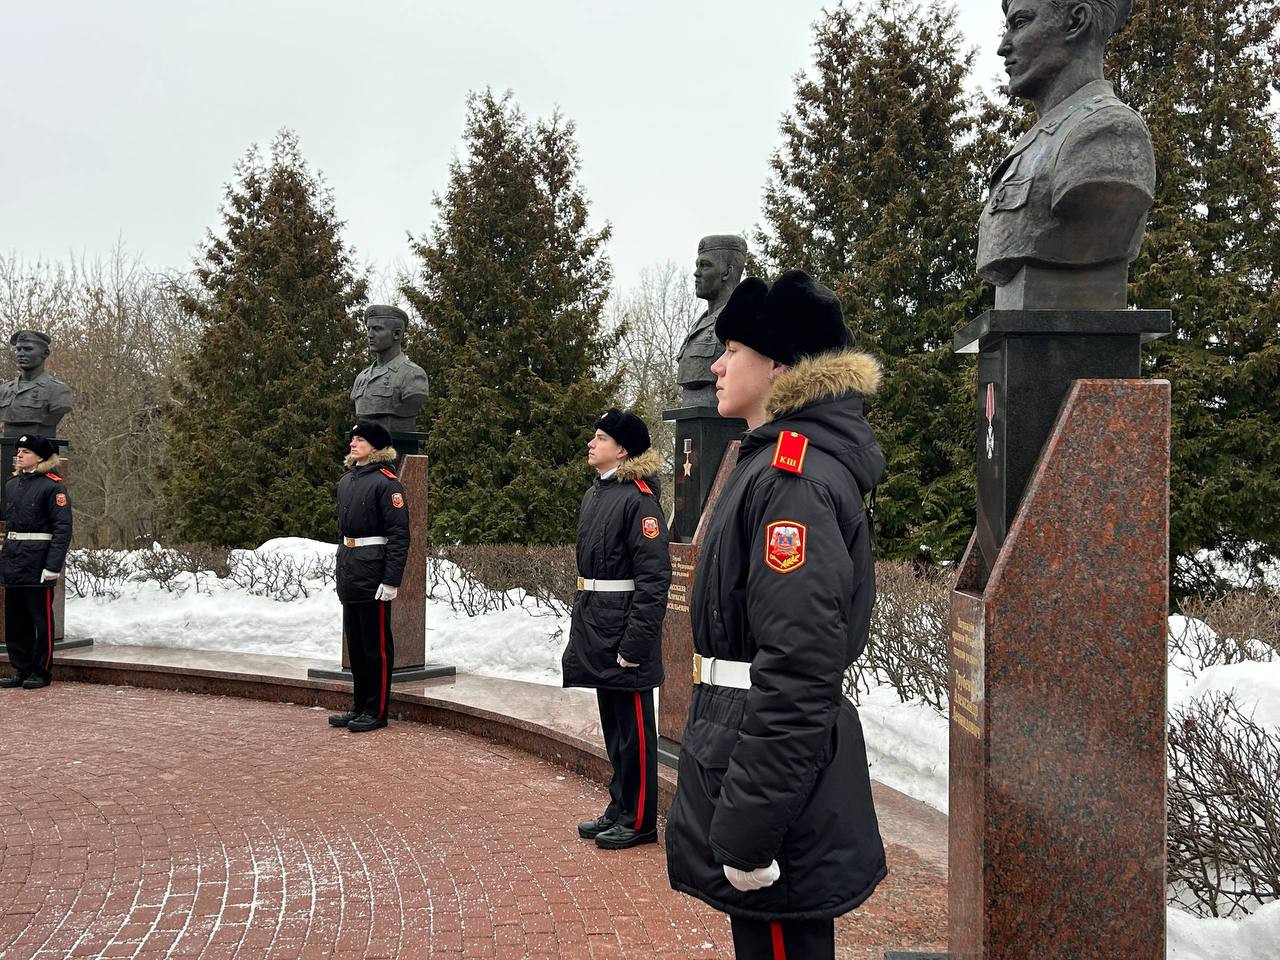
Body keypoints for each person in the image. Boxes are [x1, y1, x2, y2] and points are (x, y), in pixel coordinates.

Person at [665, 271, 887, 959]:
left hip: (772, 783)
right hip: (742, 753)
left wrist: (752, 828)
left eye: (734, 350)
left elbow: (797, 673)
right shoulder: (769, 465)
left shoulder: (794, 482)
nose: (716, 364)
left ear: (780, 366)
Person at [978, 0, 1153, 308]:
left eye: (1020, 23)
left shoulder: (1109, 130)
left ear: (1076, 21)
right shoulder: (1031, 147)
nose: (1004, 47)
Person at [562, 409, 670, 850]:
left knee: (635, 731)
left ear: (622, 450)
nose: (592, 442)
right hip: (597, 620)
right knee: (614, 727)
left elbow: (653, 578)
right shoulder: (597, 494)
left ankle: (641, 818)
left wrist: (636, 643)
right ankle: (620, 806)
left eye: (601, 437)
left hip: (624, 627)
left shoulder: (639, 499)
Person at [329, 420, 409, 732]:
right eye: (353, 439)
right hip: (351, 568)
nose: (353, 443)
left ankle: (377, 711)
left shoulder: (387, 483)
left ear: (374, 446)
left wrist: (391, 580)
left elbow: (399, 536)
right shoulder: (347, 481)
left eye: (360, 440)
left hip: (374, 573)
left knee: (376, 647)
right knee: (358, 648)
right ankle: (359, 706)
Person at [0, 434, 72, 689]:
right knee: (16, 621)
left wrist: (53, 566)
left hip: (38, 562)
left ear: (40, 457)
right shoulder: (11, 484)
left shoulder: (53, 486)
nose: (19, 455)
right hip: (14, 560)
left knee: (40, 621)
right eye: (18, 451)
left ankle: (41, 671)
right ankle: (20, 668)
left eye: (25, 451)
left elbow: (62, 530)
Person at [350, 305, 430, 433]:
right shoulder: (362, 377)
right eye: (368, 329)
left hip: (396, 446)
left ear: (397, 334)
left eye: (377, 329)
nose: (370, 335)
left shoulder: (413, 375)